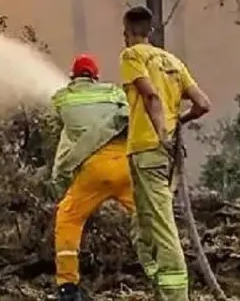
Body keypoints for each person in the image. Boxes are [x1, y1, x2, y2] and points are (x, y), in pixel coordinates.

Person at [119, 6, 212, 301]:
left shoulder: (132, 56)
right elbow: (203, 104)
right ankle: (159, 285)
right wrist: (177, 123)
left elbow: (151, 96)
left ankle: (176, 295)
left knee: (161, 224)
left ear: (127, 32)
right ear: (151, 30)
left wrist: (161, 134)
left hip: (148, 150)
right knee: (142, 224)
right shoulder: (173, 61)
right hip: (163, 155)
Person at [50, 53, 151, 301]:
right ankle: (164, 270)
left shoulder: (63, 97)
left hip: (94, 170)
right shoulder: (113, 93)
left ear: (73, 76)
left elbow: (64, 124)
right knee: (149, 217)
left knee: (68, 218)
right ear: (96, 76)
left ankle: (67, 286)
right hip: (125, 166)